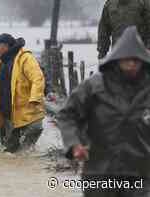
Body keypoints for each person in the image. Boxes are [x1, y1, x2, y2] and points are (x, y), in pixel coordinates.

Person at [57, 26, 150, 196]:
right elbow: (67, 115)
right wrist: (73, 144)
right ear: (116, 60)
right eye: (126, 60)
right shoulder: (94, 87)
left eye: (135, 60)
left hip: (141, 173)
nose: (131, 65)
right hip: (99, 172)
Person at [0, 33, 45, 153]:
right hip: (8, 116)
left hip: (29, 113)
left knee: (25, 148)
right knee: (10, 153)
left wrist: (35, 99)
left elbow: (37, 78)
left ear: (5, 46)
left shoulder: (26, 58)